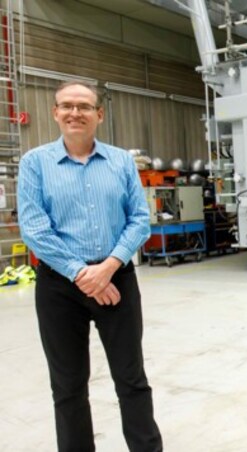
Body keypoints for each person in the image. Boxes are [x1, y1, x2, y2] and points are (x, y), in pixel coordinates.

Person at [18, 80, 163, 452]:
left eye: (84, 106)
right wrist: (83, 274)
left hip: (117, 280)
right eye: (66, 105)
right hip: (59, 287)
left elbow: (139, 220)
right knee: (67, 386)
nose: (74, 112)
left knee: (131, 379)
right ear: (55, 113)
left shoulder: (120, 162)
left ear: (99, 114)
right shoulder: (35, 164)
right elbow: (35, 229)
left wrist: (108, 267)